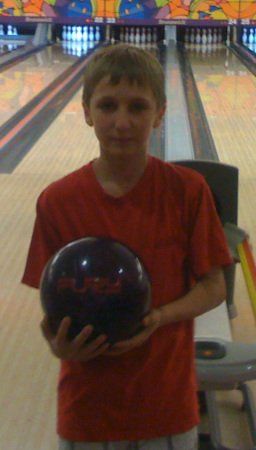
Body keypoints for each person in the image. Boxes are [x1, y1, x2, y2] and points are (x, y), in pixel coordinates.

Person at [22, 43, 233, 450]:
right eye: (107, 106)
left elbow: (214, 286)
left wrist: (158, 317)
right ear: (86, 112)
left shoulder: (188, 191)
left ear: (160, 113)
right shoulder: (57, 201)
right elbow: (53, 305)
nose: (122, 122)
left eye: (137, 107)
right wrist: (56, 343)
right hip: (88, 408)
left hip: (165, 406)